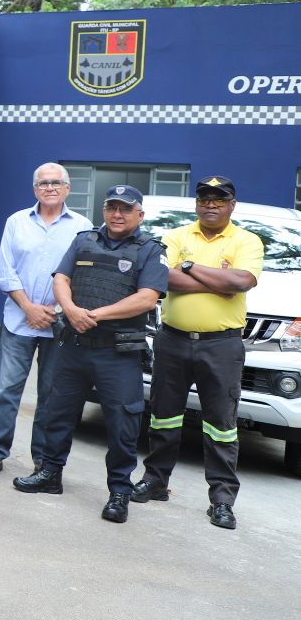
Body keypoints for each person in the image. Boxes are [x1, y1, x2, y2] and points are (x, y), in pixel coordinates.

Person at [13, 185, 168, 524]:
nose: (116, 214)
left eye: (125, 209)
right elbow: (61, 279)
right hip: (75, 346)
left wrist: (94, 315)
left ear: (139, 215)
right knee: (58, 412)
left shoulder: (150, 250)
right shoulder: (84, 239)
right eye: (111, 207)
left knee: (122, 425)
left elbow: (146, 298)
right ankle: (50, 474)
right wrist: (70, 309)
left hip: (118, 353)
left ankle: (119, 492)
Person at [132, 176, 262, 531]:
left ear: (232, 204)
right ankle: (155, 481)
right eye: (204, 199)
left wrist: (187, 267)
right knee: (163, 417)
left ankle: (221, 500)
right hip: (172, 340)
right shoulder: (177, 236)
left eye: (219, 200)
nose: (210, 205)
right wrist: (214, 280)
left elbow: (239, 283)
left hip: (221, 346)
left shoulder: (246, 240)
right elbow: (163, 277)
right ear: (197, 204)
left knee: (221, 425)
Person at [0, 163, 90, 480]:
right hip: (18, 319)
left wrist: (54, 310)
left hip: (61, 323)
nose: (50, 187)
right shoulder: (16, 222)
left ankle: (43, 460)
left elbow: (83, 274)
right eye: (43, 183)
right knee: (4, 389)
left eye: (57, 183)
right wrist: (28, 307)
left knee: (52, 395)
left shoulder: (83, 226)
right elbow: (5, 272)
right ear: (34, 188)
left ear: (67, 188)